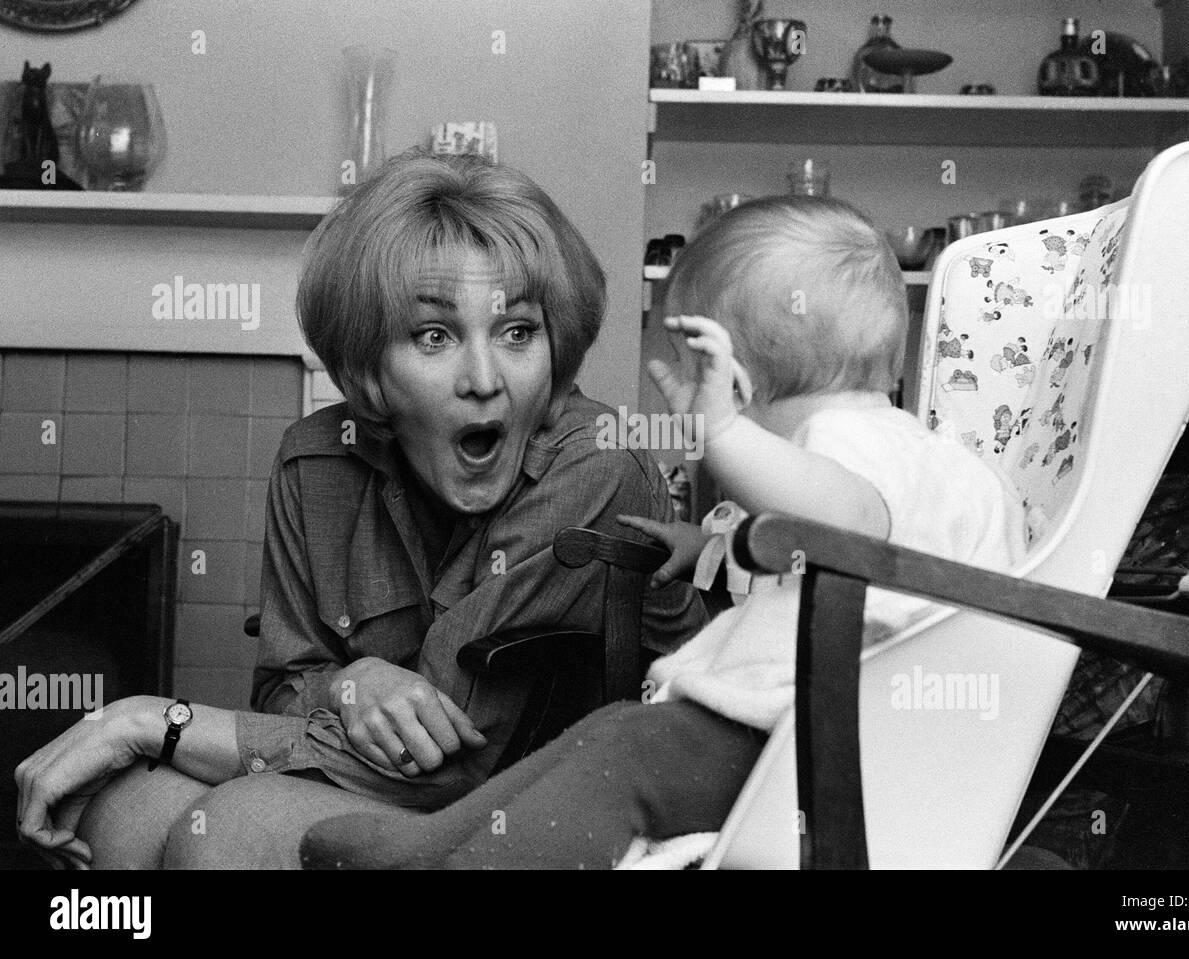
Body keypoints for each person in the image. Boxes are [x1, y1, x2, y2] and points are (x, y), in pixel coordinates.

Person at [14, 152, 704, 869]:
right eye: (434, 336)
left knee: (233, 828)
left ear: (557, 361)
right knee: (124, 809)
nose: (484, 380)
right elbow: (284, 687)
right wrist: (351, 683)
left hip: (552, 811)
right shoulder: (316, 462)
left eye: (518, 332)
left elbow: (453, 754)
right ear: (369, 373)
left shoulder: (596, 463)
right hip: (396, 793)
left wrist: (148, 718)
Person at [298, 195, 1029, 870]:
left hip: (826, 742)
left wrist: (720, 435)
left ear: (737, 382)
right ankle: (435, 844)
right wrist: (705, 549)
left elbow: (844, 526)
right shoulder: (916, 461)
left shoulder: (852, 441)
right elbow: (822, 552)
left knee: (621, 754)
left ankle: (458, 859)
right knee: (609, 736)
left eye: (698, 378)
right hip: (855, 740)